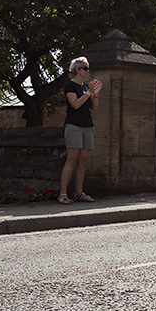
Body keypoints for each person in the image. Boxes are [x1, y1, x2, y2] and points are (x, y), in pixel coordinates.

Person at [58, 57, 102, 204]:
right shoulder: (70, 85)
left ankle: (79, 193)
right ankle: (63, 194)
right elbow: (75, 104)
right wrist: (89, 92)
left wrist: (95, 93)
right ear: (77, 70)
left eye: (88, 68)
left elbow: (94, 108)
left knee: (82, 161)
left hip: (87, 125)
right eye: (85, 68)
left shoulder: (85, 87)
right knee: (71, 160)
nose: (87, 71)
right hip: (74, 125)